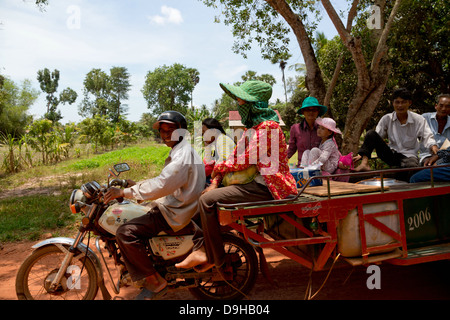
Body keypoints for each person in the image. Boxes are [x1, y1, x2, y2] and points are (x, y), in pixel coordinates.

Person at [175, 80, 298, 272]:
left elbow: (245, 160)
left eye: (241, 102)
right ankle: (201, 248)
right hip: (252, 184)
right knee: (203, 197)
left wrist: (217, 172)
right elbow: (233, 158)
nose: (238, 106)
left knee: (207, 200)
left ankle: (214, 256)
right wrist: (214, 182)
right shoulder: (252, 130)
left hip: (267, 187)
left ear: (253, 104)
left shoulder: (268, 127)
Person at [104, 111, 205, 300]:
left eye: (171, 130)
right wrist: (137, 186)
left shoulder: (182, 154)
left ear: (182, 130)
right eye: (163, 131)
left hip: (177, 212)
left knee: (125, 232)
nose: (166, 134)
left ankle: (155, 282)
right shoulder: (181, 150)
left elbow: (163, 184)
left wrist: (124, 192)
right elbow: (166, 181)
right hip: (179, 205)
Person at [353, 88, 438, 172]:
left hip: (409, 156)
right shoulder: (387, 118)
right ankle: (364, 164)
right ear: (393, 103)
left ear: (409, 103)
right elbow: (375, 138)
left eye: (403, 102)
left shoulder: (418, 119)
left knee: (411, 168)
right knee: (370, 133)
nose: (400, 105)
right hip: (391, 154)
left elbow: (427, 136)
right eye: (397, 102)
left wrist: (433, 147)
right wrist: (363, 155)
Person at [287, 97, 328, 167]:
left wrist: (345, 160)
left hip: (320, 169)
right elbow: (291, 150)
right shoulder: (295, 129)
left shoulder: (324, 128)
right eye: (307, 109)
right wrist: (278, 162)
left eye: (314, 110)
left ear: (318, 112)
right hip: (302, 169)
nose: (311, 112)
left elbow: (331, 147)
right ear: (303, 111)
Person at [419, 94, 450, 164]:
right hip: (426, 156)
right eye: (441, 105)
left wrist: (439, 155)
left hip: (446, 157)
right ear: (436, 106)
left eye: (448, 106)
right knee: (430, 165)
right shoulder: (425, 118)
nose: (444, 109)